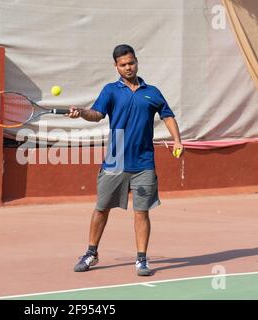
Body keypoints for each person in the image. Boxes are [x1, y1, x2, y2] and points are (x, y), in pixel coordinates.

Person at [67, 44, 183, 276]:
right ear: (116, 66)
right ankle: (91, 253)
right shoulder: (110, 90)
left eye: (131, 63)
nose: (128, 67)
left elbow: (167, 115)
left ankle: (141, 259)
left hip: (144, 163)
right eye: (123, 65)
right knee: (101, 209)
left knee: (142, 212)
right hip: (115, 161)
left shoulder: (153, 92)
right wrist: (81, 111)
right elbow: (97, 114)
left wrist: (177, 140)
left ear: (136, 62)